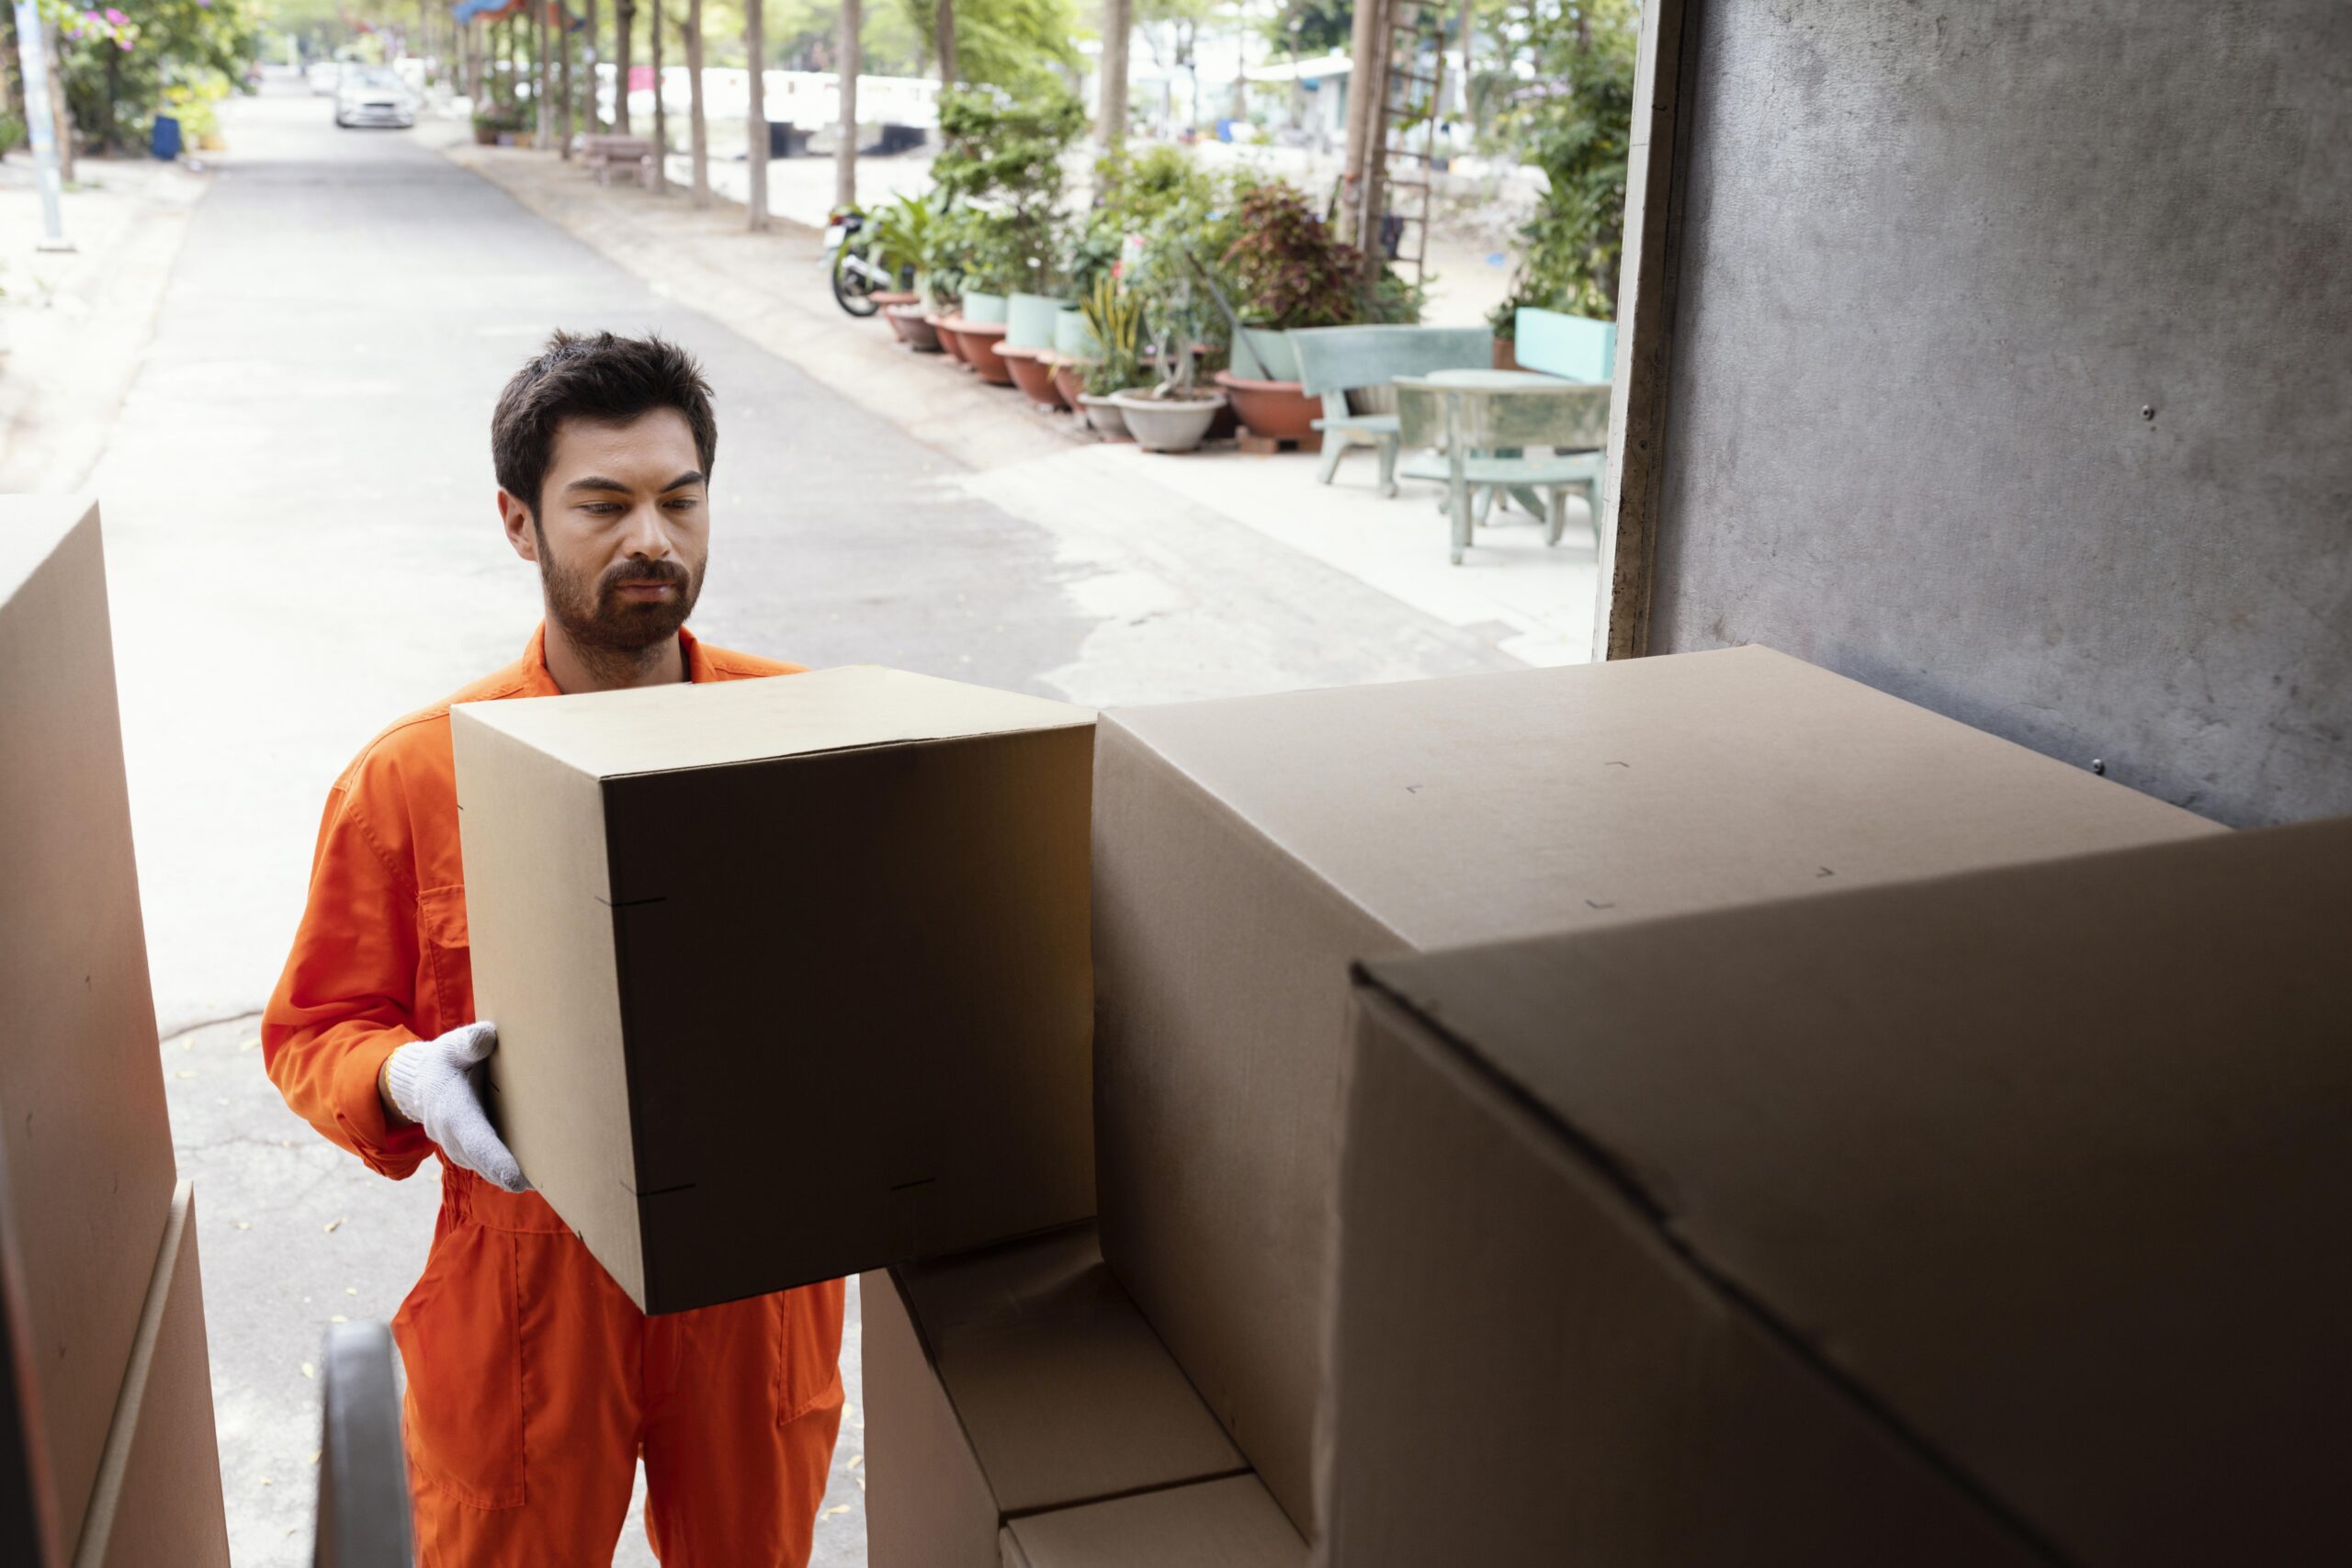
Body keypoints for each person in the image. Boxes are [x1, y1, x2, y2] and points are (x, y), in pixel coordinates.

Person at [263, 331, 844, 1566]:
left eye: (681, 500)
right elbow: (316, 1031)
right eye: (605, 504)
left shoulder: (805, 737)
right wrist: (402, 1077)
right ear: (519, 523)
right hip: (525, 1281)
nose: (654, 539)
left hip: (755, 1280)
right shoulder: (419, 776)